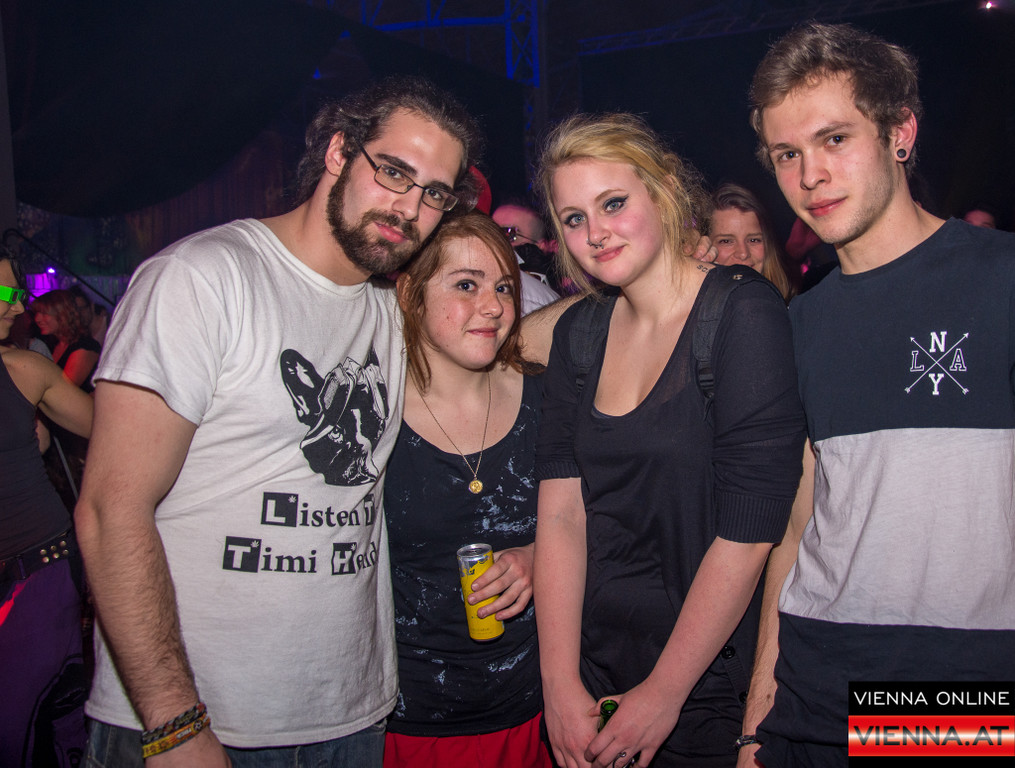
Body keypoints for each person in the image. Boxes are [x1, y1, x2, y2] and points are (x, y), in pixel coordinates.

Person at [75, 76, 482, 767]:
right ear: (337, 153)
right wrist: (174, 724)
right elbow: (111, 510)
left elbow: (521, 344)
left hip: (350, 716)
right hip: (197, 721)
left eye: (434, 194)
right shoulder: (203, 279)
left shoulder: (393, 311)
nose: (409, 208)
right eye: (393, 172)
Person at [738, 23, 1015, 767]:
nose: (810, 175)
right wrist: (756, 725)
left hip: (955, 695)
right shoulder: (795, 325)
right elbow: (796, 528)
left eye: (834, 139)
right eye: (786, 154)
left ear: (900, 134)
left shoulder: (1001, 279)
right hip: (809, 694)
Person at [533, 113, 805, 768]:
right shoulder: (579, 334)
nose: (595, 233)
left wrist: (663, 693)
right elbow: (562, 515)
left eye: (613, 203)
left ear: (663, 194)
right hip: (592, 674)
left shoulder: (741, 311)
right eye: (573, 218)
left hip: (702, 687)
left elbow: (749, 533)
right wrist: (558, 684)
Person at [383, 211, 551, 767]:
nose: (494, 306)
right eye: (465, 285)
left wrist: (539, 555)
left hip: (532, 708)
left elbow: (599, 518)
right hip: (406, 722)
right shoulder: (374, 414)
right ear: (410, 294)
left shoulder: (546, 396)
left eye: (503, 286)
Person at [1, 250, 94, 767]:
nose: (18, 307)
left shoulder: (24, 368)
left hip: (36, 567)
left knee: (21, 725)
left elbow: (107, 427)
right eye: (6, 293)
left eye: (19, 293)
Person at [708, 183, 795, 301]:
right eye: (726, 241)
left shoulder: (795, 308)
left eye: (753, 240)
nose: (743, 253)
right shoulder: (692, 310)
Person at [31, 289, 101, 391]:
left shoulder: (86, 346)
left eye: (44, 313)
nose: (37, 319)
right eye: (36, 313)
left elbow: (64, 391)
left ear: (63, 314)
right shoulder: (52, 344)